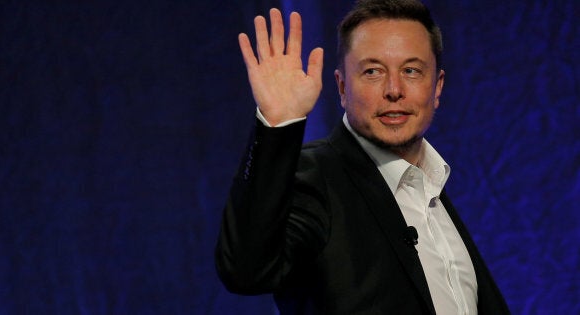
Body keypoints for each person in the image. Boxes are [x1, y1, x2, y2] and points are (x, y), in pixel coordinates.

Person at [215, 0, 510, 313]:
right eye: (372, 72)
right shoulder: (315, 178)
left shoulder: (433, 188)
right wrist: (277, 126)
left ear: (436, 88)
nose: (394, 89)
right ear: (342, 88)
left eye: (411, 70)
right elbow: (246, 271)